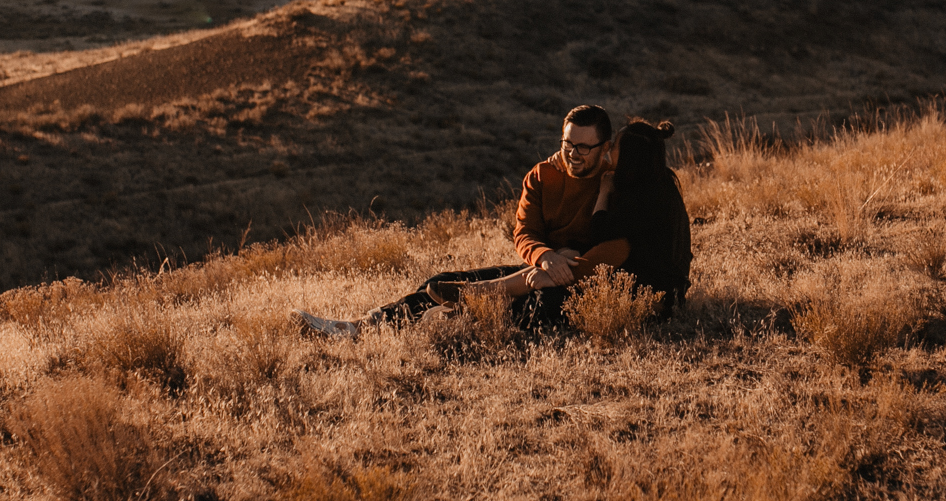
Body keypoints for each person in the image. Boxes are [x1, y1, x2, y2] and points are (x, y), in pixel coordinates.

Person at [292, 104, 628, 339]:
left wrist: (565, 262)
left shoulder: (617, 183)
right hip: (538, 268)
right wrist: (545, 256)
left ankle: (441, 327)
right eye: (568, 143)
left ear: (605, 147)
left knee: (526, 307)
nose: (573, 153)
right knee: (442, 282)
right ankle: (361, 327)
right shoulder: (542, 175)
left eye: (584, 147)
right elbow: (524, 232)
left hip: (574, 281)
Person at [441, 117, 691, 320]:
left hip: (650, 297)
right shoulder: (658, 184)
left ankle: (475, 304)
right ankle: (474, 294)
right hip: (649, 285)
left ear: (628, 155)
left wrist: (603, 192)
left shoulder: (638, 196)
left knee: (549, 295)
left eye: (613, 146)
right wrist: (564, 157)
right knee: (555, 266)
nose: (609, 151)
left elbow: (606, 239)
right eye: (568, 145)